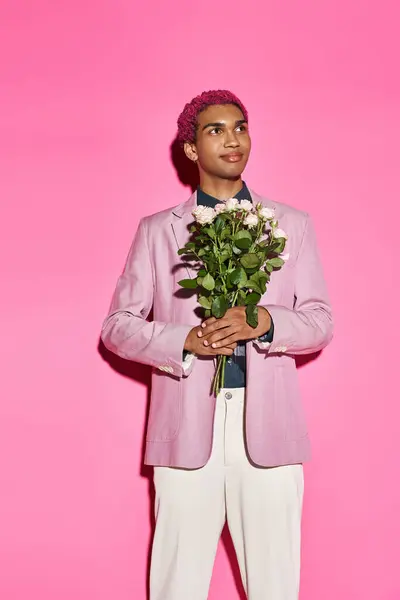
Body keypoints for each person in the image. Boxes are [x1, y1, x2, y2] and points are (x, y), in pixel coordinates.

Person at [101, 89, 333, 600]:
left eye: (241, 127)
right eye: (216, 130)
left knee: (276, 588)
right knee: (175, 586)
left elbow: (320, 321)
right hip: (184, 430)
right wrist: (185, 339)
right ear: (190, 149)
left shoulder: (292, 225)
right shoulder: (158, 231)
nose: (233, 139)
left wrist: (266, 323)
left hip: (270, 431)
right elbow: (117, 325)